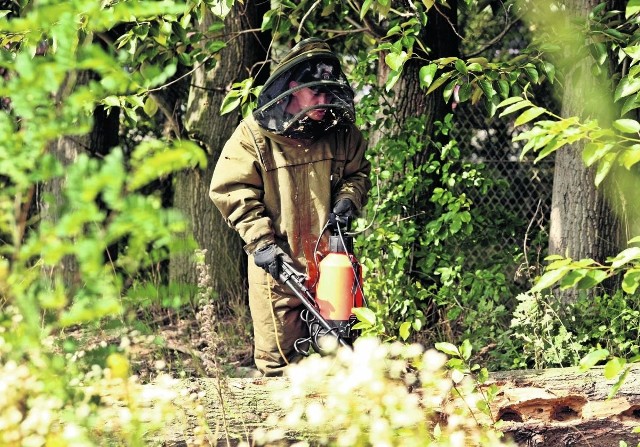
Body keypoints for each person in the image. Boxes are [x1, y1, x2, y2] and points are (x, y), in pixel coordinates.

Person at [209, 38, 371, 376]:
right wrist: (262, 243)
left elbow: (356, 174)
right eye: (316, 94)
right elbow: (232, 188)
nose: (325, 103)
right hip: (279, 268)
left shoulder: (341, 133)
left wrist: (347, 199)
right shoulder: (252, 137)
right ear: (294, 87)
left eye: (329, 95)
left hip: (333, 263)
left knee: (342, 355)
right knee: (279, 365)